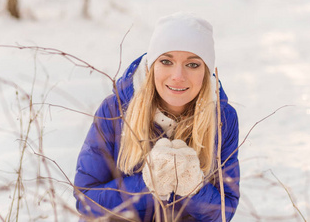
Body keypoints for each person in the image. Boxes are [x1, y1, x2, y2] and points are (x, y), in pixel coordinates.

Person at [74, 12, 240, 221]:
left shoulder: (222, 118)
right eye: (166, 61)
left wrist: (193, 188)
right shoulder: (115, 110)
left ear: (206, 72)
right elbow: (85, 200)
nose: (178, 76)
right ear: (151, 67)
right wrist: (147, 184)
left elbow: (224, 212)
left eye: (192, 64)